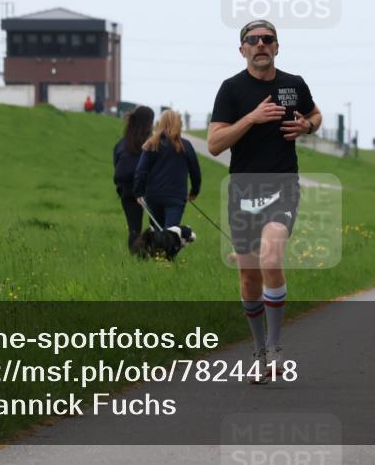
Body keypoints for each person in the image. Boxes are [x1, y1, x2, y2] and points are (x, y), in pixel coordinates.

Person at [208, 19, 322, 384]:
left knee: (271, 256)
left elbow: (315, 114)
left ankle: (275, 348)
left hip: (283, 185)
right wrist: (253, 118)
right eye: (252, 40)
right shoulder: (231, 89)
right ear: (241, 49)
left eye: (267, 39)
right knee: (248, 276)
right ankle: (258, 350)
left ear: (277, 46)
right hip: (242, 190)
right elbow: (214, 144)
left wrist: (307, 126)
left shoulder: (294, 84)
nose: (260, 44)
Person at [134, 109, 202, 230]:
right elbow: (195, 171)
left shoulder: (151, 144)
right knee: (171, 234)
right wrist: (194, 191)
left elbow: (141, 170)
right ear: (178, 123)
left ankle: (158, 249)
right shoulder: (186, 146)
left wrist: (139, 192)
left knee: (157, 233)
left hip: (153, 196)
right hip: (176, 197)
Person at [113, 106, 154, 252]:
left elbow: (116, 167)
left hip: (128, 192)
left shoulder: (121, 144)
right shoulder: (153, 142)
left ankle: (136, 258)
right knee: (155, 228)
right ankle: (155, 256)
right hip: (150, 191)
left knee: (134, 230)